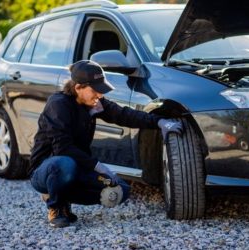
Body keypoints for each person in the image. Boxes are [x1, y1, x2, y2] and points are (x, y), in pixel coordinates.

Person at [29, 60, 182, 228]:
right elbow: (63, 148)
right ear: (78, 87)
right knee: (65, 163)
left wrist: (160, 122)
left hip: (77, 167)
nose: (99, 95)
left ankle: (60, 193)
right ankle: (56, 207)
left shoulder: (93, 104)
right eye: (95, 90)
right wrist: (99, 167)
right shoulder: (58, 104)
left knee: (120, 190)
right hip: (47, 168)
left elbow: (124, 115)